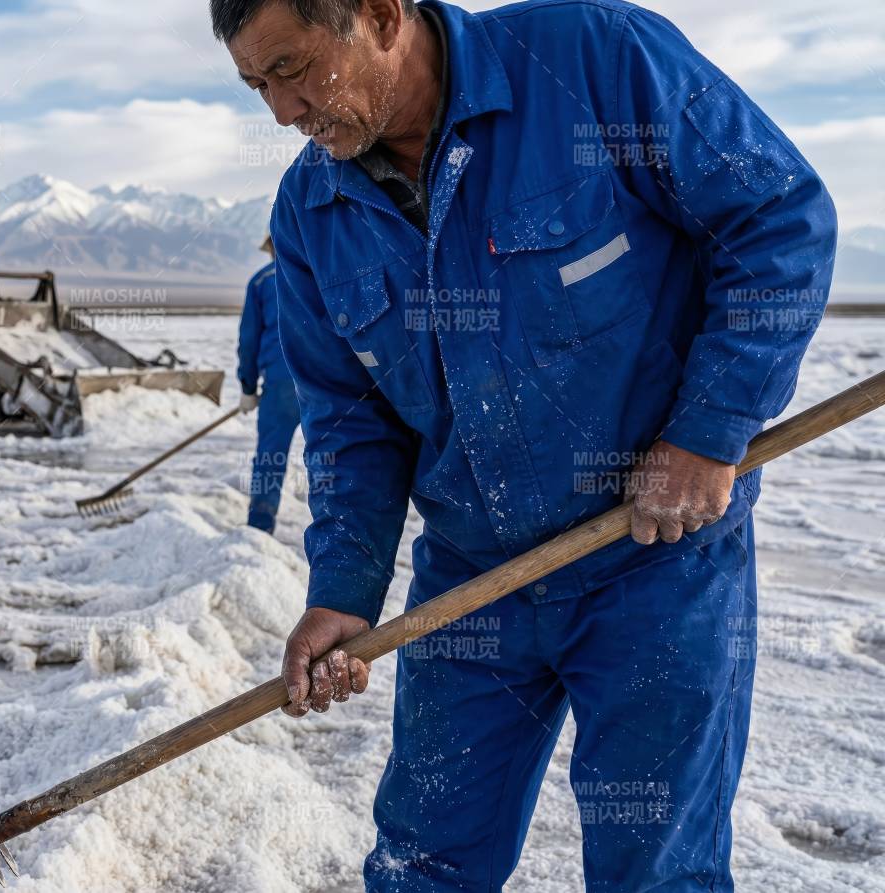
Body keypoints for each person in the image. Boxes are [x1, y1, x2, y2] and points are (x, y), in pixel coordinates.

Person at [212, 0, 836, 888]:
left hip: (649, 556)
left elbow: (779, 220)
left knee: (653, 869)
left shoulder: (594, 64)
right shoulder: (313, 211)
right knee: (423, 861)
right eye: (255, 85)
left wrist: (710, 429)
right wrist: (344, 590)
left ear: (382, 15)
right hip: (471, 585)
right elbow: (352, 427)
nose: (281, 112)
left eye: (293, 68)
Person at [237, 235, 302, 533]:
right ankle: (345, 541)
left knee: (270, 457)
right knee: (336, 459)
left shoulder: (261, 281)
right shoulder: (320, 270)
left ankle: (260, 527)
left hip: (281, 383)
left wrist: (248, 388)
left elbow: (248, 342)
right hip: (329, 382)